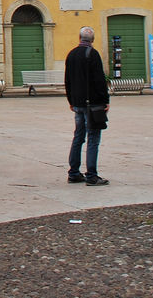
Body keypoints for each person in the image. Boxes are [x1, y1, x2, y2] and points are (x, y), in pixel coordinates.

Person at [64, 26, 110, 186]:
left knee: (78, 136)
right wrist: (105, 100)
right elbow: (100, 80)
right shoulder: (93, 54)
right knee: (93, 138)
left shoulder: (71, 54)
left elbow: (67, 80)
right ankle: (91, 175)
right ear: (93, 40)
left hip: (77, 103)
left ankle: (74, 172)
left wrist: (71, 100)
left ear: (79, 38)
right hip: (92, 104)